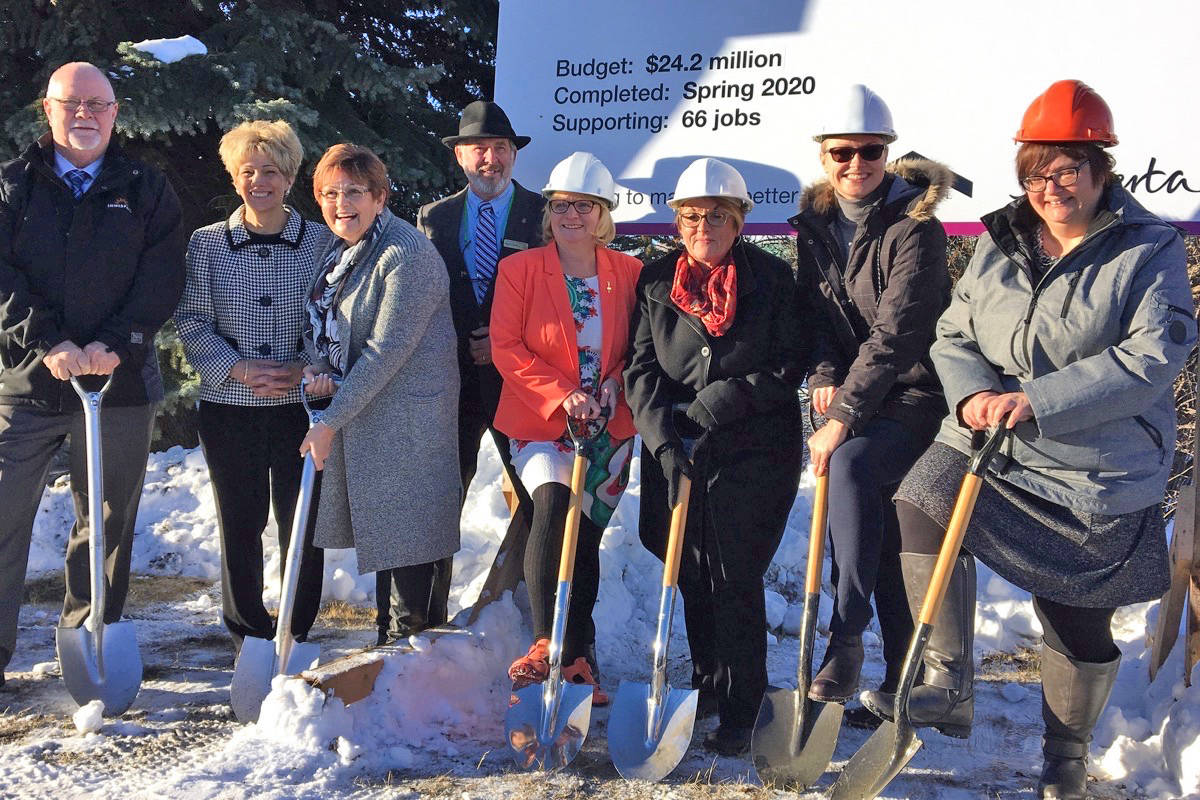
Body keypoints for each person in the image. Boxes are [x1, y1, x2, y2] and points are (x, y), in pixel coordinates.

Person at [861, 80, 1196, 800]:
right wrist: (975, 393)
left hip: (1095, 469)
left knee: (1075, 619)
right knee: (921, 496)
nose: (1053, 185)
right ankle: (947, 679)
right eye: (1039, 170)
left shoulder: (1149, 249)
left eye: (1069, 167)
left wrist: (1035, 399)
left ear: (1103, 171)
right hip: (995, 445)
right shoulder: (1001, 243)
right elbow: (954, 332)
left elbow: (1151, 358)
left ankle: (1066, 755)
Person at [0, 62, 185, 688]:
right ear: (47, 110)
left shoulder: (147, 188)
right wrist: (48, 342)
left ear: (115, 112)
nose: (85, 114)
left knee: (104, 524)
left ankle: (89, 647)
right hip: (23, 385)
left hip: (117, 385)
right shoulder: (12, 185)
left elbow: (161, 278)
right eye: (71, 102)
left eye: (98, 104)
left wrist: (114, 343)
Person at [624, 157, 811, 755]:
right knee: (690, 570)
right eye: (693, 215)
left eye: (719, 216)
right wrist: (662, 441)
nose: (704, 225)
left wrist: (721, 402)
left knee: (733, 573)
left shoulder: (772, 282)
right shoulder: (655, 282)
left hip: (753, 449)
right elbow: (641, 368)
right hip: (677, 449)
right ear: (677, 222)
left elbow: (788, 365)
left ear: (740, 222)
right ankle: (706, 683)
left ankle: (743, 701)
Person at [789, 85, 951, 723]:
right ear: (825, 156)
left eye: (871, 152)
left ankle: (846, 636)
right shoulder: (814, 226)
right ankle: (900, 678)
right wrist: (826, 372)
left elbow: (897, 334)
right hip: (858, 392)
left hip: (913, 394)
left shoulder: (917, 228)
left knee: (853, 468)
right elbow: (816, 318)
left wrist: (841, 416)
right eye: (844, 152)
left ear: (888, 154)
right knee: (871, 534)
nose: (857, 164)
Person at [491, 152, 641, 704]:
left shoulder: (627, 272)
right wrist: (564, 393)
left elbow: (639, 348)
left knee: (587, 542)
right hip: (539, 420)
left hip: (611, 425)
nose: (570, 216)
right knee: (553, 508)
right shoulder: (521, 269)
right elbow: (506, 348)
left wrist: (613, 384)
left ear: (602, 213)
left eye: (583, 206)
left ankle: (579, 658)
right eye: (560, 206)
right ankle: (544, 643)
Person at [176, 120, 331, 651]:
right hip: (229, 406)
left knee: (302, 522)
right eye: (248, 172)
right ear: (234, 177)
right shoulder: (208, 243)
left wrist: (306, 365)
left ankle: (297, 624)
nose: (259, 182)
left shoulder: (321, 241)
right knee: (239, 521)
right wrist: (235, 367)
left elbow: (335, 318)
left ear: (290, 178)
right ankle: (246, 629)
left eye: (271, 171)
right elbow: (192, 319)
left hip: (300, 407)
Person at [299, 144, 460, 642]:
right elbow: (329, 326)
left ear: (380, 196)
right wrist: (321, 369)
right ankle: (393, 671)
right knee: (389, 546)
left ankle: (410, 677)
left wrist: (328, 423)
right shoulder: (344, 250)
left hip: (409, 426)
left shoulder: (405, 254)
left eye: (353, 192)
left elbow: (385, 350)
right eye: (329, 193)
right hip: (373, 417)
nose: (340, 203)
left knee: (408, 553)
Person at [413, 101, 544, 643]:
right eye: (479, 149)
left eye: (500, 149)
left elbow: (557, 296)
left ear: (514, 155)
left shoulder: (544, 215)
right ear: (460, 156)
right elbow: (420, 300)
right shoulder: (433, 218)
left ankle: (537, 622)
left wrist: (508, 343)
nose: (490, 160)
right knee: (442, 495)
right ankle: (424, 622)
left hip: (522, 382)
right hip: (453, 381)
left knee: (541, 496)